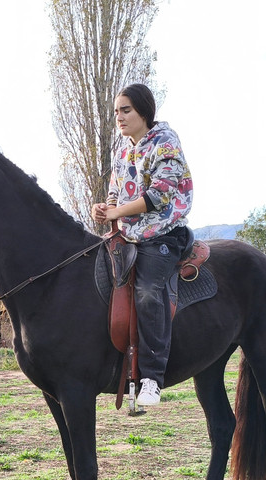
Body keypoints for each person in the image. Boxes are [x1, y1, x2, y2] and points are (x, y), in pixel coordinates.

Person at [92, 83, 194, 407]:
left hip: (163, 232)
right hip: (128, 232)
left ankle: (152, 377)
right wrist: (105, 207)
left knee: (149, 290)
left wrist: (118, 211)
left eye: (126, 111)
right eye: (116, 112)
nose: (119, 118)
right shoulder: (122, 148)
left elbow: (159, 196)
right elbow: (115, 187)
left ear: (144, 112)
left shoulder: (166, 143)